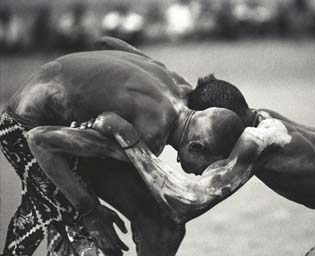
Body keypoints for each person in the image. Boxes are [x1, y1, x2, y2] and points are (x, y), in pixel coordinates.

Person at [0, 38, 249, 256]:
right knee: (90, 235)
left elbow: (106, 42)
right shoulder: (148, 136)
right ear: (195, 146)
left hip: (63, 127)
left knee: (164, 225)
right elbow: (40, 141)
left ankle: (61, 225)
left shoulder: (176, 86)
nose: (197, 174)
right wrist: (90, 211)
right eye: (205, 167)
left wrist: (90, 85)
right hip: (24, 129)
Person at [187, 74, 315, 255]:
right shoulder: (263, 117)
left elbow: (192, 200)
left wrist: (152, 162)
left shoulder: (255, 142)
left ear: (220, 119)